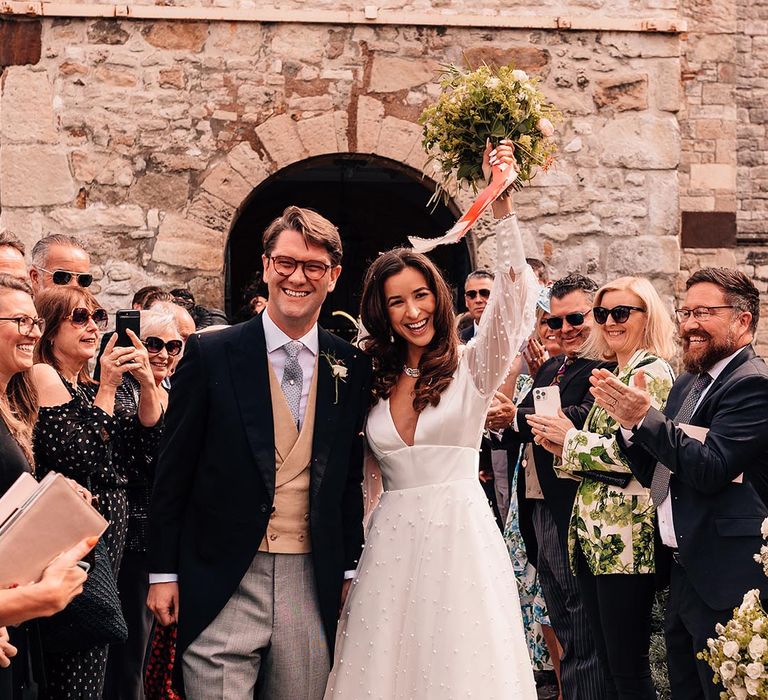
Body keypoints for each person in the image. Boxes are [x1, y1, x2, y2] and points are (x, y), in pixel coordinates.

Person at [325, 141, 538, 698]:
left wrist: (501, 205)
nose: (413, 311)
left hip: (460, 537)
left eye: (421, 295)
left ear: (439, 298)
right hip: (390, 544)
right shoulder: (371, 381)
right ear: (383, 312)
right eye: (398, 302)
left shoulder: (473, 368)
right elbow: (368, 481)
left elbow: (515, 299)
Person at [147, 205, 372, 699]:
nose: (297, 277)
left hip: (309, 576)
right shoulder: (210, 354)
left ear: (333, 277)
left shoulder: (350, 364)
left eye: (313, 267)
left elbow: (346, 477)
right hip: (222, 574)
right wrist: (163, 571)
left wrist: (349, 567)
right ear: (267, 265)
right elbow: (173, 471)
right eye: (286, 263)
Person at [592, 268, 768, 699]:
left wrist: (644, 419)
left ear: (742, 320)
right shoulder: (690, 381)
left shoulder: (753, 385)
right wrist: (631, 429)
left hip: (729, 575)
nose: (688, 323)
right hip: (684, 569)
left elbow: (711, 468)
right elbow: (660, 468)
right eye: (685, 311)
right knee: (685, 688)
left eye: (703, 312)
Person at [527, 276, 676, 699]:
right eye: (603, 313)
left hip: (626, 540)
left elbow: (634, 457)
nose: (609, 322)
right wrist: (566, 440)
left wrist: (568, 440)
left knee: (627, 670)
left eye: (621, 312)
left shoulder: (651, 372)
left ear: (648, 317)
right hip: (598, 539)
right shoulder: (618, 370)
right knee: (611, 667)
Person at [31, 286, 163, 699]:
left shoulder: (90, 384)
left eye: (97, 316)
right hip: (77, 543)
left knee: (109, 661)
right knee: (80, 661)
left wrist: (144, 384)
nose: (93, 327)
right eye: (79, 318)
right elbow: (79, 458)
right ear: (50, 331)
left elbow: (145, 454)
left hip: (114, 541)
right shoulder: (44, 376)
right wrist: (108, 386)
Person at [488, 272, 611, 700]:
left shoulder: (605, 367)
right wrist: (500, 418)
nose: (565, 330)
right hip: (537, 507)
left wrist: (513, 419)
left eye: (575, 318)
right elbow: (517, 420)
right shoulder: (553, 367)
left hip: (572, 510)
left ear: (595, 315)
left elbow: (576, 418)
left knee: (581, 626)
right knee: (562, 621)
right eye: (555, 322)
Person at [104, 308, 179, 700]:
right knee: (130, 652)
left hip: (160, 537)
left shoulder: (170, 391)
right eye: (152, 344)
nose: (163, 354)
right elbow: (144, 456)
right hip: (130, 534)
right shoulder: (121, 389)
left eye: (173, 346)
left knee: (150, 653)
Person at [496, 286, 564, 696]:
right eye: (547, 322)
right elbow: (500, 411)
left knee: (556, 604)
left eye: (564, 322)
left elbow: (552, 424)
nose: (554, 329)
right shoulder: (533, 373)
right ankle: (548, 680)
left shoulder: (576, 369)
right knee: (532, 594)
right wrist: (521, 360)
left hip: (558, 498)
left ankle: (563, 684)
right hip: (527, 499)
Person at [459, 268, 494, 343]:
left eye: (485, 293)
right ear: (466, 301)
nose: (478, 300)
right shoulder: (458, 339)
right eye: (471, 294)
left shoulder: (512, 335)